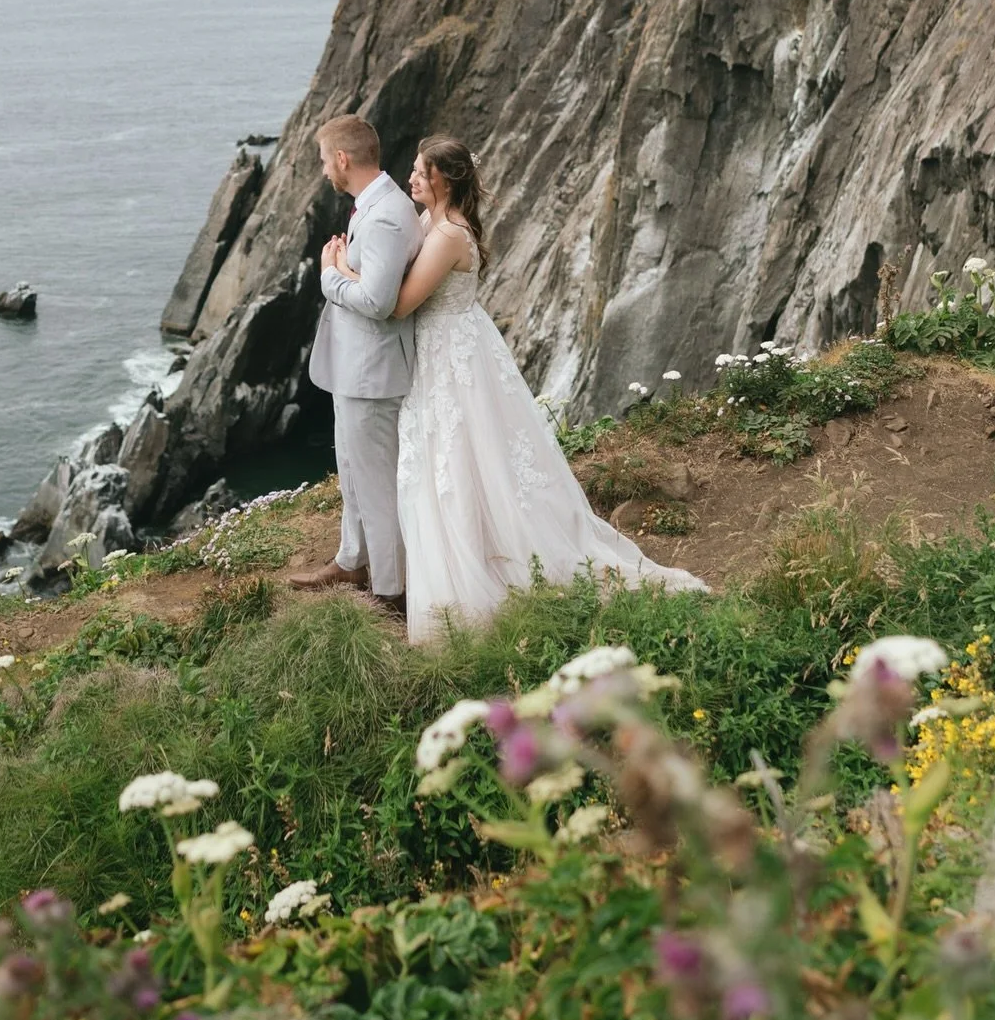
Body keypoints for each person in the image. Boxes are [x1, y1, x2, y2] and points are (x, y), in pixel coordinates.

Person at [327, 133, 707, 642]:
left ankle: (481, 561)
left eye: (420, 171)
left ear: (441, 179)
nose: (411, 177)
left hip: (450, 353)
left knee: (462, 456)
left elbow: (398, 304)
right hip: (442, 350)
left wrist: (342, 270)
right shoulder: (429, 221)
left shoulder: (447, 236)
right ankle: (461, 547)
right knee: (452, 458)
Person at [289, 114, 424, 613]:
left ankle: (389, 593)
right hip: (357, 368)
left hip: (373, 373)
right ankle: (351, 559)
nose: (324, 170)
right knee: (351, 471)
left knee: (376, 486)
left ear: (342, 159)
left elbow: (379, 300)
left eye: (325, 160)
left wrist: (330, 273)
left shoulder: (387, 215)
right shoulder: (374, 205)